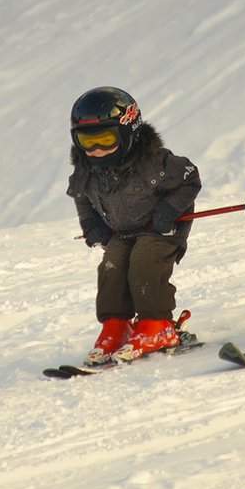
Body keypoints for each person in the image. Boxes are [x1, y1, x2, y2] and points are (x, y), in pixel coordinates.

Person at [67, 87, 201, 365]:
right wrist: (93, 228)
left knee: (145, 260)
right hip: (123, 232)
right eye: (87, 142)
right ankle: (116, 326)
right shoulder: (86, 169)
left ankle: (157, 325)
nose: (96, 150)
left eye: (105, 139)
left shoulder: (154, 162)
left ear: (128, 131)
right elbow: (82, 198)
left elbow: (189, 178)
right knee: (112, 265)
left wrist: (168, 212)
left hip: (161, 229)